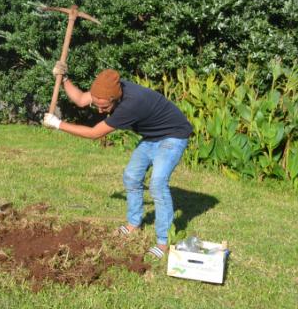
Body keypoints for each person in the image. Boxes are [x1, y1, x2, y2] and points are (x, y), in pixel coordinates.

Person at [42, 64, 193, 259]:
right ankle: (133, 224)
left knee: (157, 185)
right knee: (131, 177)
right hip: (152, 137)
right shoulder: (106, 90)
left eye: (104, 107)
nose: (100, 110)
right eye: (97, 105)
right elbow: (80, 100)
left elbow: (94, 133)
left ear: (115, 98)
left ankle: (163, 242)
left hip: (173, 135)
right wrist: (64, 79)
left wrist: (58, 124)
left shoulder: (131, 104)